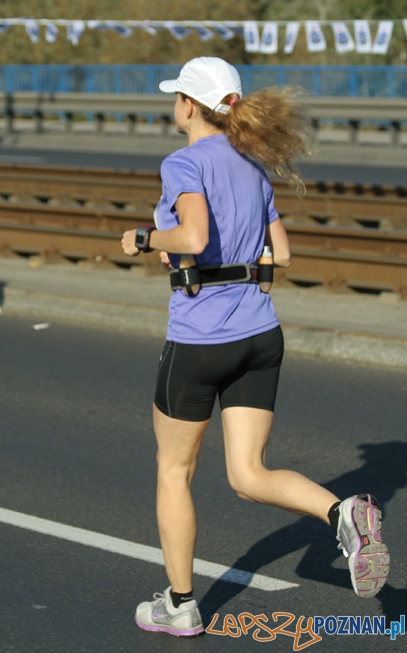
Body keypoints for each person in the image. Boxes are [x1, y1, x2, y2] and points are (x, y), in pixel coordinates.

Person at [121, 57, 389, 637]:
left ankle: (181, 604)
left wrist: (145, 238)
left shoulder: (184, 162)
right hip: (260, 336)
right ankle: (342, 512)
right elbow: (283, 255)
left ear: (188, 105)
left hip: (199, 341)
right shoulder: (251, 165)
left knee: (174, 470)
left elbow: (191, 236)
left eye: (176, 96)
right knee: (248, 473)